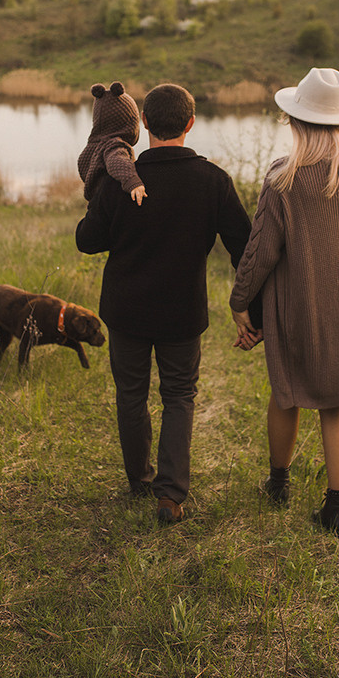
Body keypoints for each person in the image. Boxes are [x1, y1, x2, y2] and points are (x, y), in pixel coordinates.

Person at [76, 83, 261, 524]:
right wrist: (249, 305)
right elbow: (245, 248)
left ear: (143, 123)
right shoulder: (213, 180)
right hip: (182, 313)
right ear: (190, 123)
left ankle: (139, 479)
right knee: (180, 396)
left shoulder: (121, 176)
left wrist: (98, 195)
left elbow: (87, 241)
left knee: (131, 395)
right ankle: (171, 496)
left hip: (126, 312)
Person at [230, 67, 339, 537]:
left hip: (298, 305)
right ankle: (337, 509)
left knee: (286, 394)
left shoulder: (284, 179)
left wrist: (240, 301)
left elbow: (262, 249)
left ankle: (278, 484)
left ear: (298, 122)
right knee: (337, 404)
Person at [77, 81, 147, 205]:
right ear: (129, 124)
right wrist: (133, 182)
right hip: (111, 204)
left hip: (95, 205)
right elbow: (117, 161)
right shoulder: (115, 145)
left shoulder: (92, 146)